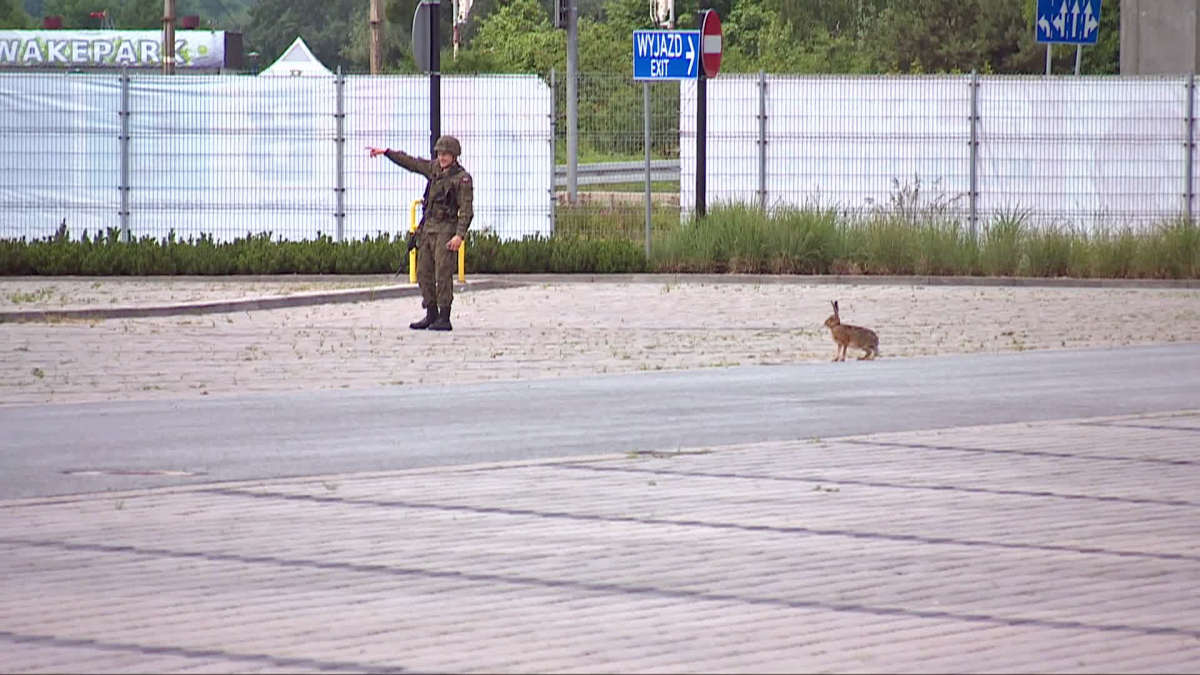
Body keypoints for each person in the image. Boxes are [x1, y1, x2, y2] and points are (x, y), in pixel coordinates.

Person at [367, 136, 474, 331]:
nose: (442, 158)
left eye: (446, 154)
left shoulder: (462, 179)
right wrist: (387, 152)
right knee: (423, 270)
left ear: (454, 156)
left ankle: (444, 316)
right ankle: (431, 312)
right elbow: (412, 163)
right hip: (428, 228)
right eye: (440, 154)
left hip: (446, 229)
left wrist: (459, 235)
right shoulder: (434, 169)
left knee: (442, 272)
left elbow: (466, 210)